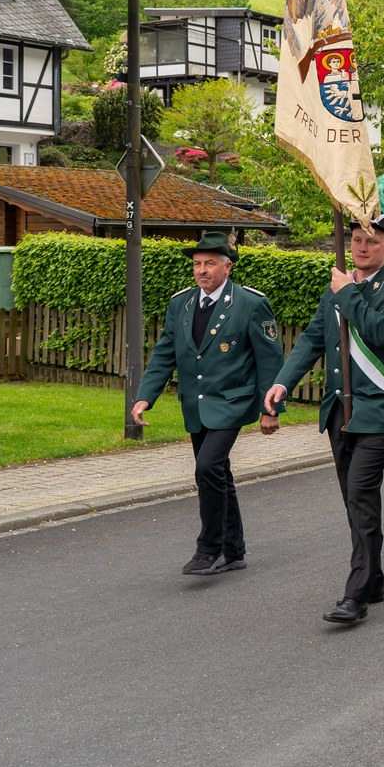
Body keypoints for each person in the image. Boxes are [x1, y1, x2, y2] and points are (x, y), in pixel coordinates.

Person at [266, 215, 384, 626]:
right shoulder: (336, 287)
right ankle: (374, 579)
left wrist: (347, 291)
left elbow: (379, 332)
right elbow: (313, 339)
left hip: (376, 413)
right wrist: (282, 382)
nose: (362, 247)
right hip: (338, 412)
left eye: (372, 241)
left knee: (361, 496)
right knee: (355, 502)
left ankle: (356, 595)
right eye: (356, 240)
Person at [134, 230, 283, 577]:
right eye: (198, 264)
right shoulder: (181, 304)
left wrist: (271, 409)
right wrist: (145, 396)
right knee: (218, 473)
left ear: (227, 267)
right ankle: (234, 551)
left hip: (232, 403)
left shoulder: (250, 303)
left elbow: (270, 359)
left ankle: (209, 548)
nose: (202, 270)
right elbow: (165, 353)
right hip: (196, 405)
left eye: (210, 263)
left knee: (207, 468)